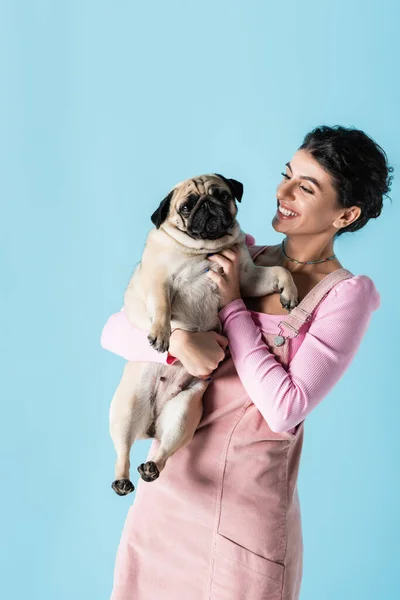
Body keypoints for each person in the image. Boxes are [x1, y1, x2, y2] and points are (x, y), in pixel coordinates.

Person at [101, 125, 392, 600]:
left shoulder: (344, 296)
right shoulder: (240, 252)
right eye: (286, 175)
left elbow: (285, 407)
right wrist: (177, 343)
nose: (283, 192)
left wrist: (234, 307)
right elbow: (114, 330)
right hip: (166, 492)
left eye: (306, 186)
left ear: (347, 213)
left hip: (241, 518)